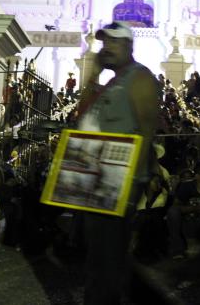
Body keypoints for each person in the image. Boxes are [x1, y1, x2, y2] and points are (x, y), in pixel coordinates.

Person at [76, 21, 160, 305]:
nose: (106, 47)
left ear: (129, 46)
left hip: (118, 180)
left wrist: (135, 180)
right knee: (99, 254)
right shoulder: (111, 81)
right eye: (104, 42)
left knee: (106, 257)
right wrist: (94, 75)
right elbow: (82, 115)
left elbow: (147, 129)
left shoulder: (139, 78)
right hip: (95, 177)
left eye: (114, 42)